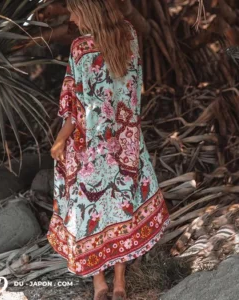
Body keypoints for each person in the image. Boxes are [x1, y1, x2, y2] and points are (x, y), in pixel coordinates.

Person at [47, 1, 170, 299]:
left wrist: (61, 139)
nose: (72, 17)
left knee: (89, 207)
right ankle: (119, 284)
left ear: (87, 11)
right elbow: (130, 90)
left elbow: (75, 106)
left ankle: (99, 284)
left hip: (91, 146)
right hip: (126, 140)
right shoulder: (128, 36)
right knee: (121, 203)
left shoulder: (80, 48)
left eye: (74, 10)